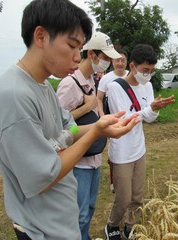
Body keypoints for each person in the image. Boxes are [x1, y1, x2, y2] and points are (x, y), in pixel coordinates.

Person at [0, 1, 139, 239]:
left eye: (80, 48)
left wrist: (99, 125)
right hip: (42, 230)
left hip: (58, 221)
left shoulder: (43, 85)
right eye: (71, 45)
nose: (78, 56)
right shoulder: (14, 95)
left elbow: (68, 127)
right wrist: (95, 135)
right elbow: (43, 176)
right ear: (41, 36)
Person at [104, 44, 175, 240]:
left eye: (151, 71)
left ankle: (130, 225)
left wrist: (154, 109)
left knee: (137, 196)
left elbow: (150, 118)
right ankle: (113, 225)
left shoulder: (148, 86)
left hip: (139, 148)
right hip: (121, 151)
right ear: (133, 66)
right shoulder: (114, 87)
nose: (148, 75)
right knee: (123, 197)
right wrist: (149, 109)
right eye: (145, 70)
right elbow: (124, 119)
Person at [56, 32, 121, 240]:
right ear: (91, 54)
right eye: (106, 58)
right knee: (79, 214)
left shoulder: (92, 80)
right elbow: (57, 125)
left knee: (90, 208)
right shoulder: (68, 84)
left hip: (93, 157)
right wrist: (85, 109)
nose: (108, 63)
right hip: (78, 162)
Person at [97, 48, 129, 117]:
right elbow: (99, 99)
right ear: (112, 61)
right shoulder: (105, 78)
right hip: (111, 117)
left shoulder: (131, 77)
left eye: (123, 60)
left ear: (126, 61)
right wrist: (102, 116)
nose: (120, 63)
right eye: (117, 60)